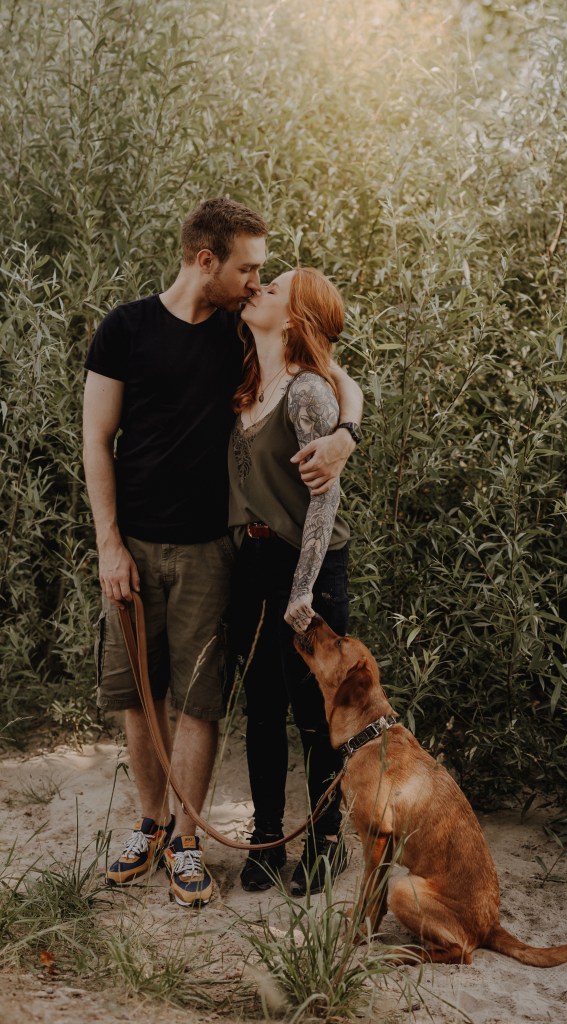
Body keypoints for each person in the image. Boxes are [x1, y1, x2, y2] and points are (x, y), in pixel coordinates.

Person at [82, 198, 362, 908]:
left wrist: (346, 434)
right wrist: (109, 544)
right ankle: (150, 823)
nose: (254, 282)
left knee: (203, 699)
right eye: (248, 268)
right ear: (206, 261)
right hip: (136, 549)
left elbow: (336, 372)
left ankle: (186, 839)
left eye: (262, 274)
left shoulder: (242, 333)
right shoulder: (128, 329)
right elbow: (95, 441)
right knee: (141, 692)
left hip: (215, 550)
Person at [229, 266, 357, 896]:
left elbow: (324, 501)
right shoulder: (252, 381)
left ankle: (327, 841)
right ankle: (266, 838)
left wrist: (302, 590)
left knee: (315, 713)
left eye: (272, 289)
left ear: (296, 319)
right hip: (253, 563)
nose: (258, 290)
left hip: (308, 566)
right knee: (260, 709)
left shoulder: (308, 392)